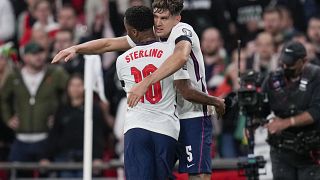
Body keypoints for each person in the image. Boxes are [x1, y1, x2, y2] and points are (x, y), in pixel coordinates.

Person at [51, 1, 225, 178]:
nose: (158, 23)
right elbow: (108, 44)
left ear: (177, 18)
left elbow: (181, 57)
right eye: (155, 17)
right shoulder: (157, 36)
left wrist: (145, 82)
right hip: (169, 117)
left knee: (198, 175)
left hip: (192, 113)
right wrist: (77, 48)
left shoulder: (182, 30)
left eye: (164, 18)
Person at [116, 6, 178, 179]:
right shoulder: (172, 52)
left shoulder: (122, 60)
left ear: (134, 32)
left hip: (137, 128)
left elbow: (128, 90)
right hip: (167, 129)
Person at [0, 42, 68, 177]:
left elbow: (71, 93)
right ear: (25, 57)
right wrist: (8, 118)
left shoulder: (55, 74)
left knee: (48, 175)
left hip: (46, 138)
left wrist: (58, 117)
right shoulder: (15, 76)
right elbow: (3, 98)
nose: (38, 57)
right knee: (19, 175)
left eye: (41, 53)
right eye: (34, 54)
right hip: (20, 139)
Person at [263, 41, 320, 180]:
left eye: (290, 64)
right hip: (281, 150)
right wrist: (254, 119)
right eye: (283, 62)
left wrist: (286, 122)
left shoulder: (316, 76)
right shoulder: (273, 78)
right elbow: (262, 106)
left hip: (310, 151)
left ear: (303, 61)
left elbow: (316, 112)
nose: (285, 67)